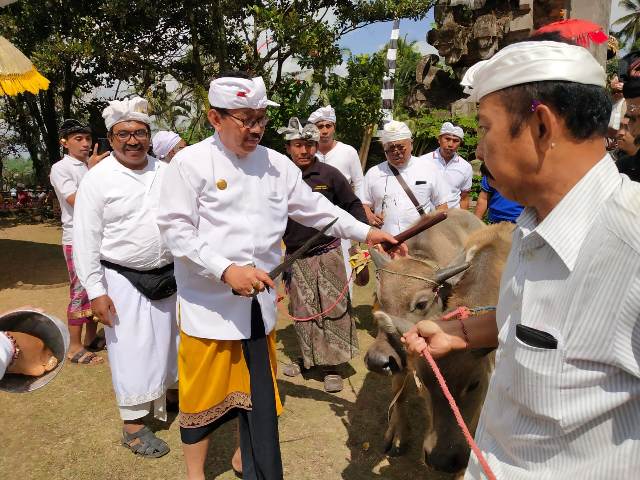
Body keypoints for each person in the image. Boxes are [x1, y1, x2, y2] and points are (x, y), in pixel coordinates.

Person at [403, 38, 640, 479]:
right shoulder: (530, 228)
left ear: (541, 126)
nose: (477, 151)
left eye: (485, 128)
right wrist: (463, 331)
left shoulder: (632, 247)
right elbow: (549, 325)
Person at [156, 72, 402, 480]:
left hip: (258, 306)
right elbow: (176, 229)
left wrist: (367, 231)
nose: (255, 128)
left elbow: (316, 210)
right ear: (215, 118)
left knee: (257, 399)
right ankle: (195, 474)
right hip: (210, 308)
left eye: (261, 119)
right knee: (202, 401)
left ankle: (249, 463)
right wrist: (226, 269)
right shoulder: (190, 163)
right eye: (245, 119)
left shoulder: (276, 164)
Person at [73, 97, 179, 459]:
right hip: (119, 277)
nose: (132, 141)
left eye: (139, 133)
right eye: (124, 134)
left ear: (150, 136)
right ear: (110, 137)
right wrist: (95, 292)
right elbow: (85, 240)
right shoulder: (97, 179)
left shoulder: (166, 173)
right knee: (131, 350)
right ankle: (133, 425)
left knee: (170, 343)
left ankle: (171, 394)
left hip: (169, 274)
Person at [277, 117, 368, 393]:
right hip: (295, 256)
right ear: (288, 147)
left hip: (328, 251)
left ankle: (332, 367)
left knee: (333, 308)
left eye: (308, 145)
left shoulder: (329, 175)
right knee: (303, 310)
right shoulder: (279, 177)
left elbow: (353, 204)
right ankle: (308, 360)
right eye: (297, 145)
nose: (303, 151)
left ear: (316, 146)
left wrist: (362, 242)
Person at [49, 119, 109, 366]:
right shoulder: (62, 168)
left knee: (98, 286)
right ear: (64, 143)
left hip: (100, 237)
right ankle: (74, 347)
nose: (85, 144)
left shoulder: (91, 165)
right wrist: (93, 171)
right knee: (79, 290)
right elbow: (75, 200)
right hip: (77, 238)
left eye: (87, 138)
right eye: (78, 139)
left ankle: (91, 339)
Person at [308, 105, 366, 294]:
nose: (324, 131)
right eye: (319, 126)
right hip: (311, 221)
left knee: (344, 267)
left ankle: (344, 306)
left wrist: (362, 216)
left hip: (343, 218)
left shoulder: (348, 151)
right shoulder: (307, 153)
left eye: (328, 126)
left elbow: (359, 182)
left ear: (334, 127)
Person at [362, 120, 449, 236]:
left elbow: (442, 207)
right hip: (386, 242)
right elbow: (363, 204)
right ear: (384, 149)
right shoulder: (374, 173)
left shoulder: (429, 169)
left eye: (401, 147)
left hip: (421, 241)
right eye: (391, 149)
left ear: (411, 145)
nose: (397, 152)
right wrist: (369, 216)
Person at [420, 121, 473, 210]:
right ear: (439, 139)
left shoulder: (465, 167)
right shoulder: (423, 161)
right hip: (428, 217)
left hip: (453, 218)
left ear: (460, 143)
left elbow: (464, 198)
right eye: (447, 139)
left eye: (456, 141)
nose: (450, 144)